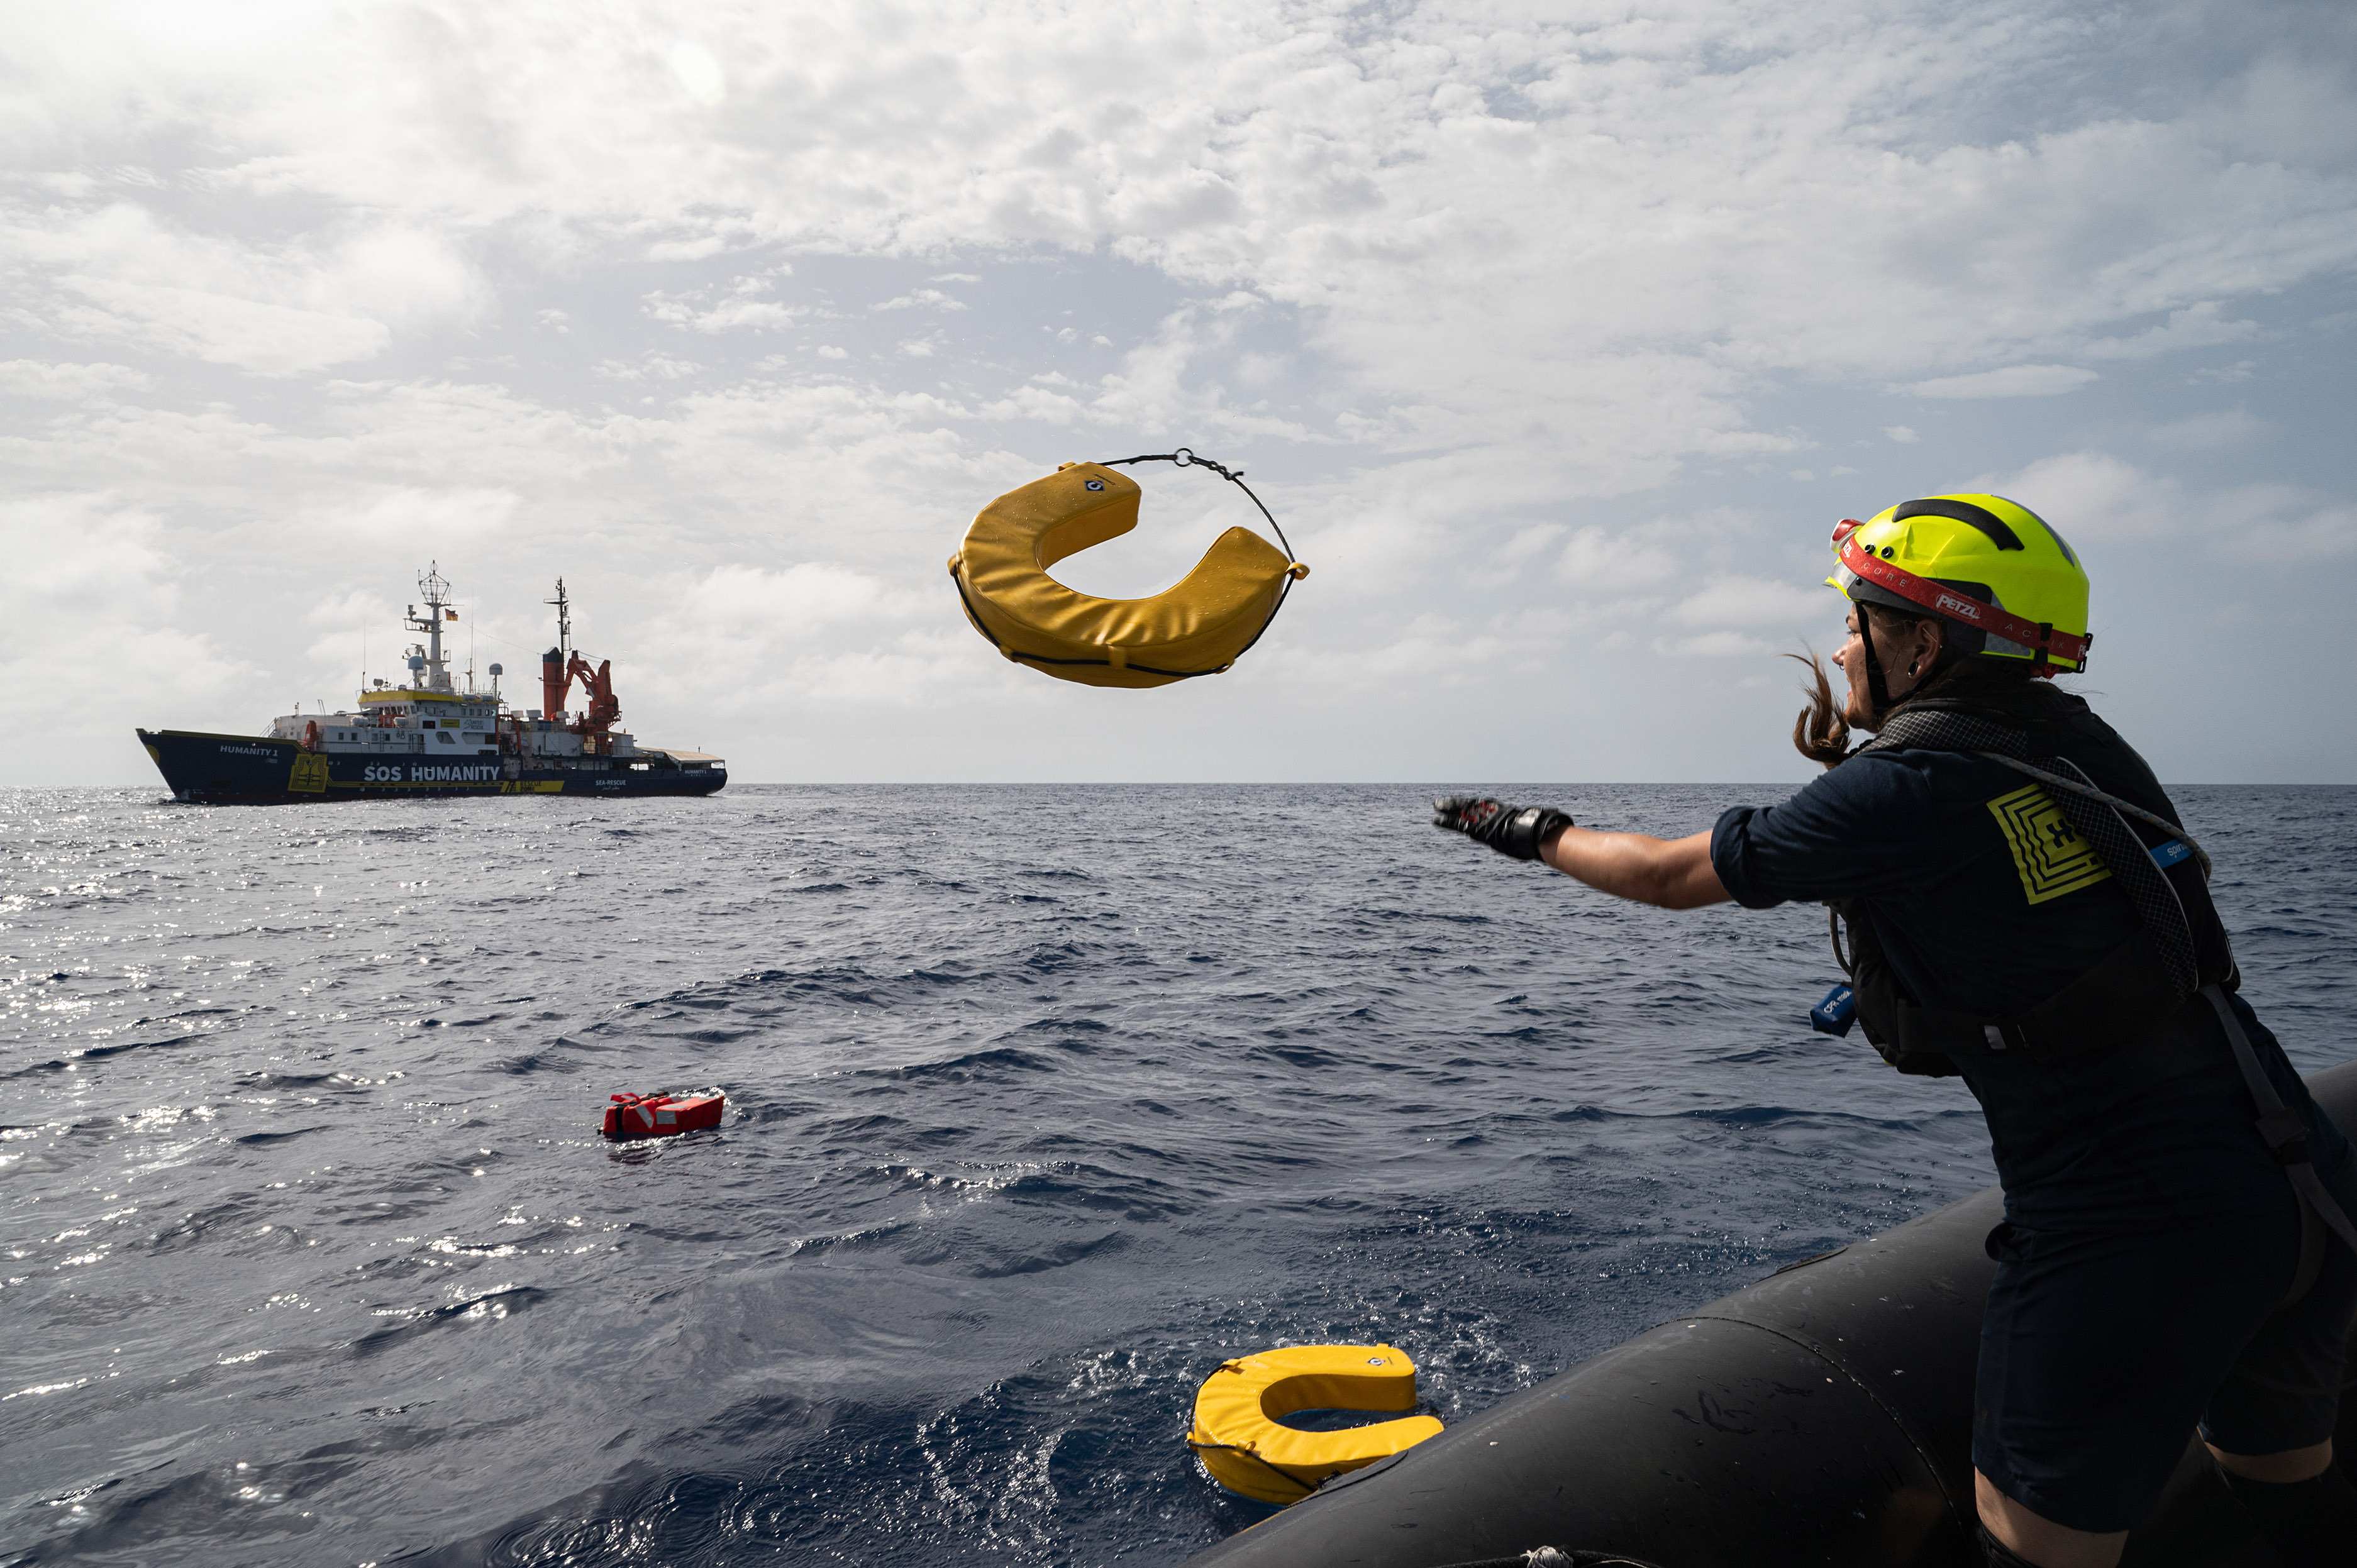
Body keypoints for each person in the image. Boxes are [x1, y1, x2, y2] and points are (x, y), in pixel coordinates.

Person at [1432, 494, 2357, 1568]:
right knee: (2285, 1487)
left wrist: (1528, 830)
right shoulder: (2085, 746)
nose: (1842, 646)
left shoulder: (1904, 786)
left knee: (2030, 1543)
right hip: (2295, 1181)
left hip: (2126, 1226)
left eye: (1857, 620)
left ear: (1923, 644)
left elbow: (1665, 876)